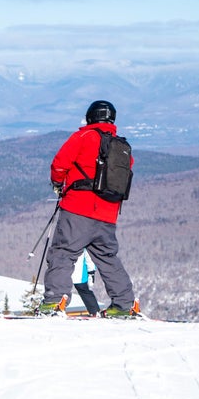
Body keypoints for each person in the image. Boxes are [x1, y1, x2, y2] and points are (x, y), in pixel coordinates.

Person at [40, 100, 135, 316]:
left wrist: (58, 183)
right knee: (108, 257)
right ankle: (124, 304)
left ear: (91, 117)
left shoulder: (83, 136)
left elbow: (59, 164)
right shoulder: (121, 146)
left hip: (78, 209)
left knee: (63, 253)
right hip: (108, 213)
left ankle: (54, 302)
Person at [72, 250, 100, 316]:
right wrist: (91, 272)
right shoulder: (85, 241)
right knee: (84, 290)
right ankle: (94, 311)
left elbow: (89, 256)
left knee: (62, 290)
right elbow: (89, 257)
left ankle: (95, 312)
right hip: (79, 273)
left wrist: (91, 272)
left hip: (76, 272)